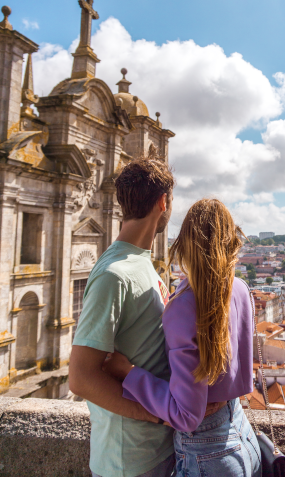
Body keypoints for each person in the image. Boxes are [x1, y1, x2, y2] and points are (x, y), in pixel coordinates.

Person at [103, 199, 262, 477]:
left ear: (185, 242)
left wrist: (128, 373)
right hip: (243, 435)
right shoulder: (240, 288)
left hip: (207, 453)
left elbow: (187, 416)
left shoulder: (185, 306)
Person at [69, 156, 177, 477]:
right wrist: (155, 415)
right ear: (163, 202)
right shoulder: (114, 274)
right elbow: (81, 378)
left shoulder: (142, 263)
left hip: (157, 451)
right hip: (128, 461)